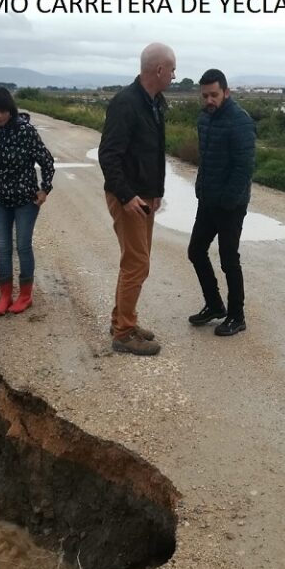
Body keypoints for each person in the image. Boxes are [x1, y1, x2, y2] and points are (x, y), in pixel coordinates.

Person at [98, 42, 177, 355]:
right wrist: (127, 195)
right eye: (172, 69)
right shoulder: (126, 103)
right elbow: (108, 155)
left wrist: (156, 193)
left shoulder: (154, 103)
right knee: (137, 264)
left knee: (134, 262)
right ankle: (123, 334)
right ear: (158, 70)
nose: (174, 75)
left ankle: (122, 320)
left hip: (145, 197)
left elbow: (154, 153)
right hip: (128, 198)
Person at [187, 69, 256, 336]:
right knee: (196, 251)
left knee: (229, 259)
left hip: (230, 204)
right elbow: (205, 159)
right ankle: (215, 306)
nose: (209, 100)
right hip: (207, 200)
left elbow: (244, 167)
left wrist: (228, 200)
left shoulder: (240, 121)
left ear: (226, 92)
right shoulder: (205, 119)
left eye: (214, 95)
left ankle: (237, 316)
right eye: (204, 96)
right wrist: (200, 187)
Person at [0, 87, 55, 316]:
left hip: (25, 201)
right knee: (3, 248)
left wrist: (44, 190)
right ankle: (4, 296)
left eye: (3, 111)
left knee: (22, 246)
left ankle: (25, 295)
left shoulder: (26, 131)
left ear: (10, 110)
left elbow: (47, 161)